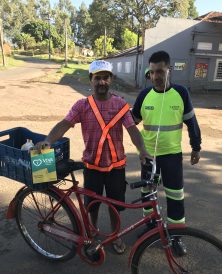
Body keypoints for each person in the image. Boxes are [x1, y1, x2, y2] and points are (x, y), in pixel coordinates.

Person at [36, 60, 149, 254]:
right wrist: (48, 140)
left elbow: (132, 131)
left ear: (111, 80)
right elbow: (65, 124)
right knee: (92, 207)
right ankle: (92, 234)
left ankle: (116, 235)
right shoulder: (82, 106)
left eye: (105, 77)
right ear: (91, 80)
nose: (101, 82)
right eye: (97, 78)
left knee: (115, 206)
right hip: (92, 167)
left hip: (116, 166)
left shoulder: (120, 105)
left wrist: (143, 151)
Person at [132, 51, 201, 252]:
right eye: (152, 72)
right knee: (147, 193)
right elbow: (132, 121)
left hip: (171, 155)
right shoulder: (144, 95)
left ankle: (176, 237)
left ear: (168, 70)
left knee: (175, 196)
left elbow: (191, 122)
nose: (156, 76)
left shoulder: (181, 93)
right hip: (148, 156)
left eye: (160, 71)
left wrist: (196, 147)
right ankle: (150, 227)